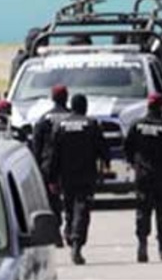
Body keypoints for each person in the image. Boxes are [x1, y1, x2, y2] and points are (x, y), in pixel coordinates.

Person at [47, 94, 109, 266]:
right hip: (86, 175)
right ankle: (76, 242)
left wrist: (52, 178)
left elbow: (54, 154)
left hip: (66, 176)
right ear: (85, 107)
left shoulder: (60, 126)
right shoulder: (92, 124)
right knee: (82, 209)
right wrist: (106, 162)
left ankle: (70, 233)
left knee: (69, 208)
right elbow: (103, 148)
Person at [125, 93, 162, 263]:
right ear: (161, 107)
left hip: (143, 175)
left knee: (143, 210)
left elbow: (128, 148)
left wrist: (134, 164)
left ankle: (142, 243)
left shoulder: (136, 125)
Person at [32, 85, 71, 242]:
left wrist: (37, 167)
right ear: (66, 97)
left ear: (53, 98)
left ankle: (56, 232)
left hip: (48, 166)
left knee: (52, 201)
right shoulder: (73, 117)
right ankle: (70, 228)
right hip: (70, 165)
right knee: (71, 199)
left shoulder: (43, 119)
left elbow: (37, 146)